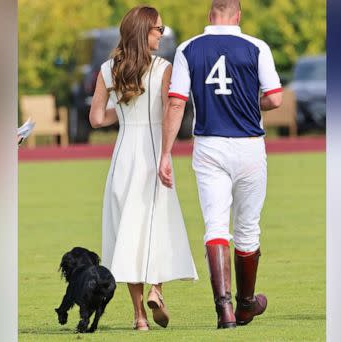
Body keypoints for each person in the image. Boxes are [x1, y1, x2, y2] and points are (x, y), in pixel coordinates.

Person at [158, 0, 283, 329]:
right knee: (247, 229)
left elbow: (176, 103)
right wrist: (248, 102)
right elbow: (275, 97)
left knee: (216, 227)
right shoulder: (257, 47)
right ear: (238, 15)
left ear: (210, 15)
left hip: (209, 144)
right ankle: (245, 305)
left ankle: (225, 310)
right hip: (249, 146)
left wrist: (165, 152)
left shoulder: (188, 49)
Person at [89, 5, 198, 331]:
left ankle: (139, 318)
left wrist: (120, 111)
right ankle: (156, 290)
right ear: (143, 32)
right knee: (157, 227)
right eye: (158, 30)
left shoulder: (109, 69)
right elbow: (169, 113)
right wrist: (167, 153)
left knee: (127, 234)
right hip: (153, 154)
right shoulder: (164, 68)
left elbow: (96, 119)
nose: (162, 35)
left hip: (123, 159)